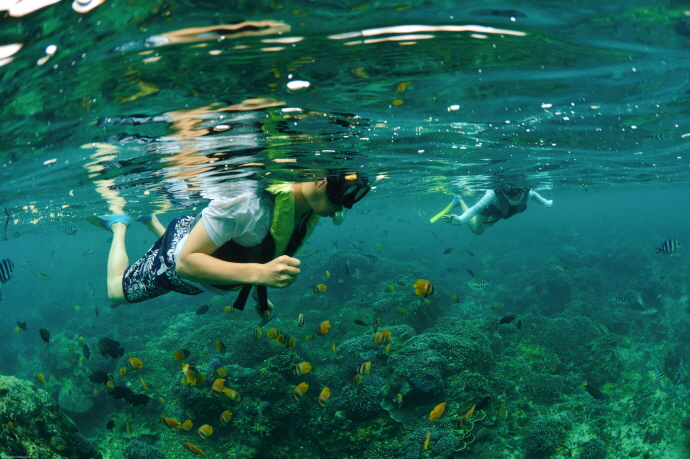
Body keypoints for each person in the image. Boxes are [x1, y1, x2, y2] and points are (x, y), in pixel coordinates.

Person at [86, 172, 370, 319]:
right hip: (176, 264)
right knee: (115, 292)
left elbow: (264, 250)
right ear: (319, 177)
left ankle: (152, 222)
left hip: (201, 243)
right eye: (339, 189)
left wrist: (260, 297)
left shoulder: (308, 209)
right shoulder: (248, 203)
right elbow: (186, 264)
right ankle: (119, 224)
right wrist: (261, 275)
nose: (342, 207)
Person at [435, 188, 552, 235]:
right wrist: (459, 220)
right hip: (488, 209)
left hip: (501, 212)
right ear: (502, 189)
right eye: (507, 190)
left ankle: (459, 201)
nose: (511, 194)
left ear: (521, 189)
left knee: (489, 225)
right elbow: (475, 209)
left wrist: (548, 204)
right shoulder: (492, 195)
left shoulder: (529, 193)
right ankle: (459, 200)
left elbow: (544, 202)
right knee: (478, 231)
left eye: (514, 190)